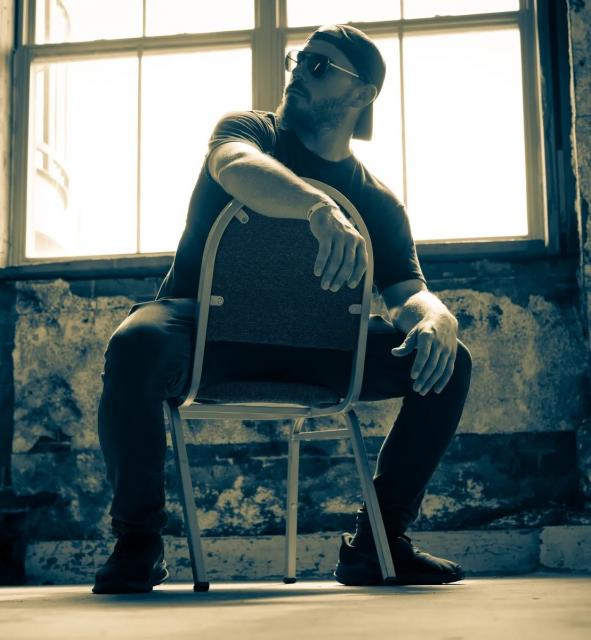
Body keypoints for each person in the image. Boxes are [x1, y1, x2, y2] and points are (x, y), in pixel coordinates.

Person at [92, 23, 472, 594]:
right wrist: (318, 208)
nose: (297, 73)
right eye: (299, 60)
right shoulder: (248, 131)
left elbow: (407, 294)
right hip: (205, 335)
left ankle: (379, 542)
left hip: (318, 348)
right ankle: (138, 544)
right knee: (134, 343)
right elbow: (234, 165)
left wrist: (436, 316)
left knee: (450, 361)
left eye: (320, 66)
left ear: (362, 94)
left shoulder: (378, 202)